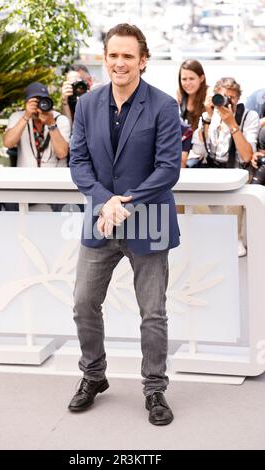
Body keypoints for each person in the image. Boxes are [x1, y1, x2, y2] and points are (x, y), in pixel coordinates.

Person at [68, 23, 181, 426]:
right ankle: (94, 376)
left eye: (128, 56)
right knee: (83, 303)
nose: (120, 62)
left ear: (142, 61)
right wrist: (105, 202)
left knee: (152, 312)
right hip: (101, 221)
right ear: (105, 59)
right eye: (113, 55)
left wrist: (125, 203)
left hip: (147, 219)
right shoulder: (86, 105)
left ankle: (155, 389)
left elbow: (168, 169)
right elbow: (78, 162)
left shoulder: (165, 106)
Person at [190, 77, 260, 257]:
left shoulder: (248, 116)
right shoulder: (209, 116)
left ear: (238, 98)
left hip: (237, 170)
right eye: (222, 96)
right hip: (212, 169)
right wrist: (206, 120)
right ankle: (213, 234)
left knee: (234, 191)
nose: (227, 101)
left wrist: (232, 124)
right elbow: (199, 150)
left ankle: (233, 235)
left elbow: (246, 156)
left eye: (232, 97)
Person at [3, 82, 70, 168]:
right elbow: (8, 144)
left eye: (42, 100)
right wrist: (26, 117)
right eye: (34, 101)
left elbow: (62, 153)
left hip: (54, 177)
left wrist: (51, 124)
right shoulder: (17, 117)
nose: (39, 105)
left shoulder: (61, 120)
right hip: (27, 176)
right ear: (26, 103)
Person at [177, 59, 211, 132]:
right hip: (186, 140)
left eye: (191, 79)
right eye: (184, 79)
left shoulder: (209, 93)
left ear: (201, 78)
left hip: (203, 140)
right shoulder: (180, 93)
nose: (187, 83)